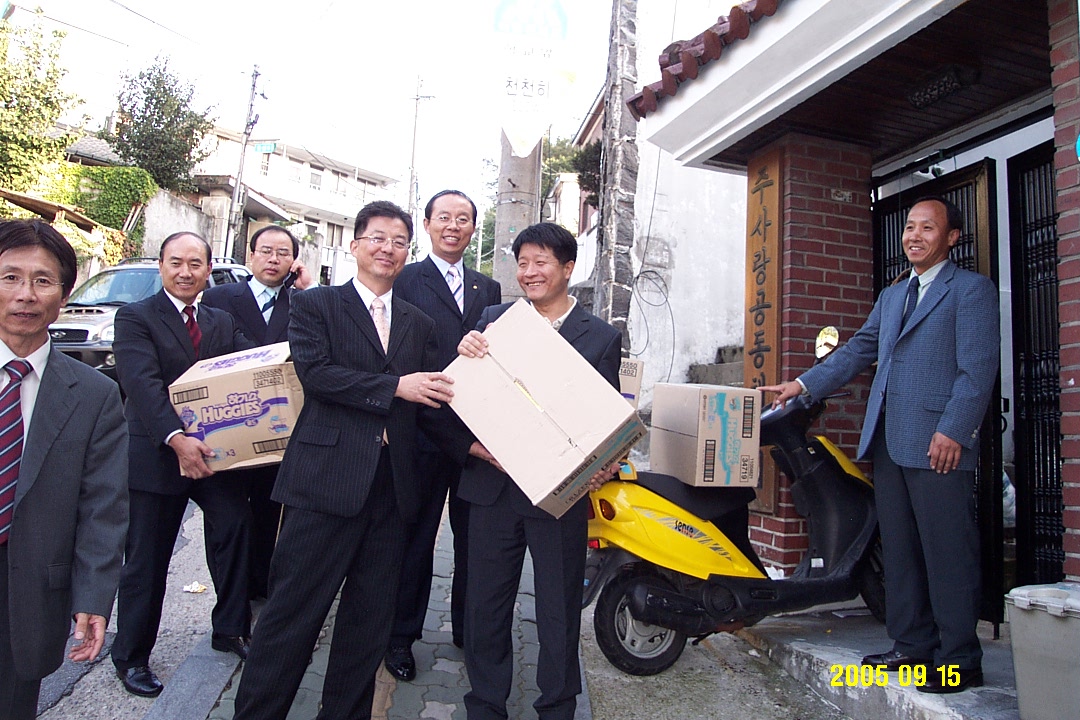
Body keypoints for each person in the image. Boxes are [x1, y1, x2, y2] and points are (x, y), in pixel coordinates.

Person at [231, 201, 468, 720]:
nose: (388, 249)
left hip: (391, 490)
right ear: (356, 245)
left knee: (369, 622)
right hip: (324, 483)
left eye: (399, 242)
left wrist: (474, 448)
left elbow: (430, 402)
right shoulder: (315, 305)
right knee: (291, 616)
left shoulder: (418, 322)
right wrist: (394, 387)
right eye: (378, 238)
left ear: (408, 252)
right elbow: (316, 375)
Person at [761, 196, 999, 694]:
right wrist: (802, 385)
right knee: (901, 551)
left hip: (940, 444)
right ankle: (912, 645)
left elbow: (976, 371)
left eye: (927, 228)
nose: (914, 236)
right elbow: (858, 350)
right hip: (890, 441)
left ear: (952, 237)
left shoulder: (970, 290)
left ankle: (959, 659)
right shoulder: (894, 295)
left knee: (947, 552)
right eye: (910, 227)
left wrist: (955, 430)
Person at [454, 222, 621, 720]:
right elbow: (464, 392)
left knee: (558, 607)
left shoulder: (601, 336)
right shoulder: (494, 319)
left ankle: (558, 706)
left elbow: (606, 417)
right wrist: (466, 353)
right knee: (485, 605)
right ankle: (485, 704)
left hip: (558, 495)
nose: (529, 272)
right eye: (522, 263)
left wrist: (603, 464)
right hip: (493, 489)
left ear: (567, 268)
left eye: (540, 262)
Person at [111, 231, 256, 697]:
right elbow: (142, 385)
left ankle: (230, 628)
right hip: (158, 455)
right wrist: (177, 439)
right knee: (147, 560)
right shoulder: (135, 318)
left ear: (208, 270)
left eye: (196, 264)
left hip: (212, 456)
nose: (185, 272)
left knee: (235, 529)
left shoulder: (219, 320)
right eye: (176, 262)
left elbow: (255, 359)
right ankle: (132, 656)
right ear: (161, 265)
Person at [0, 220, 128, 719]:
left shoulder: (94, 395)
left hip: (29, 591)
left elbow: (103, 507)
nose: (25, 295)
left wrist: (93, 597)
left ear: (64, 294)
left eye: (42, 280)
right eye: (10, 277)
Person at [384, 190, 502, 680]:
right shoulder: (404, 279)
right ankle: (399, 637)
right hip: (422, 434)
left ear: (474, 228)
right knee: (414, 542)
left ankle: (469, 632)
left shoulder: (487, 288)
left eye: (464, 219)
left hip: (478, 437)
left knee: (475, 543)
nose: (453, 226)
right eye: (444, 217)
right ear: (428, 224)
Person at [201, 225, 314, 600]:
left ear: (293, 262)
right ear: (251, 255)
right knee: (227, 520)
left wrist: (305, 289)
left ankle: (260, 587)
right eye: (266, 251)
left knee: (270, 514)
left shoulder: (302, 303)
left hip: (279, 427)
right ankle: (229, 594)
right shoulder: (218, 298)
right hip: (230, 424)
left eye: (283, 253)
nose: (273, 259)